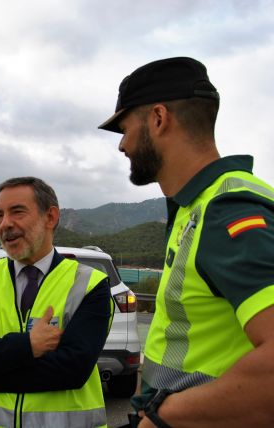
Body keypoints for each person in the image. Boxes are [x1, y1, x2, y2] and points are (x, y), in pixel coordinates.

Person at [99, 57, 274, 427]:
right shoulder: (195, 208)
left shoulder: (225, 211)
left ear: (159, 119)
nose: (122, 146)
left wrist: (165, 415)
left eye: (125, 129)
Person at [0, 176, 113, 428]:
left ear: (50, 217)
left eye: (17, 212)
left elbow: (73, 370)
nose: (5, 224)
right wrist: (27, 346)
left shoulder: (89, 284)